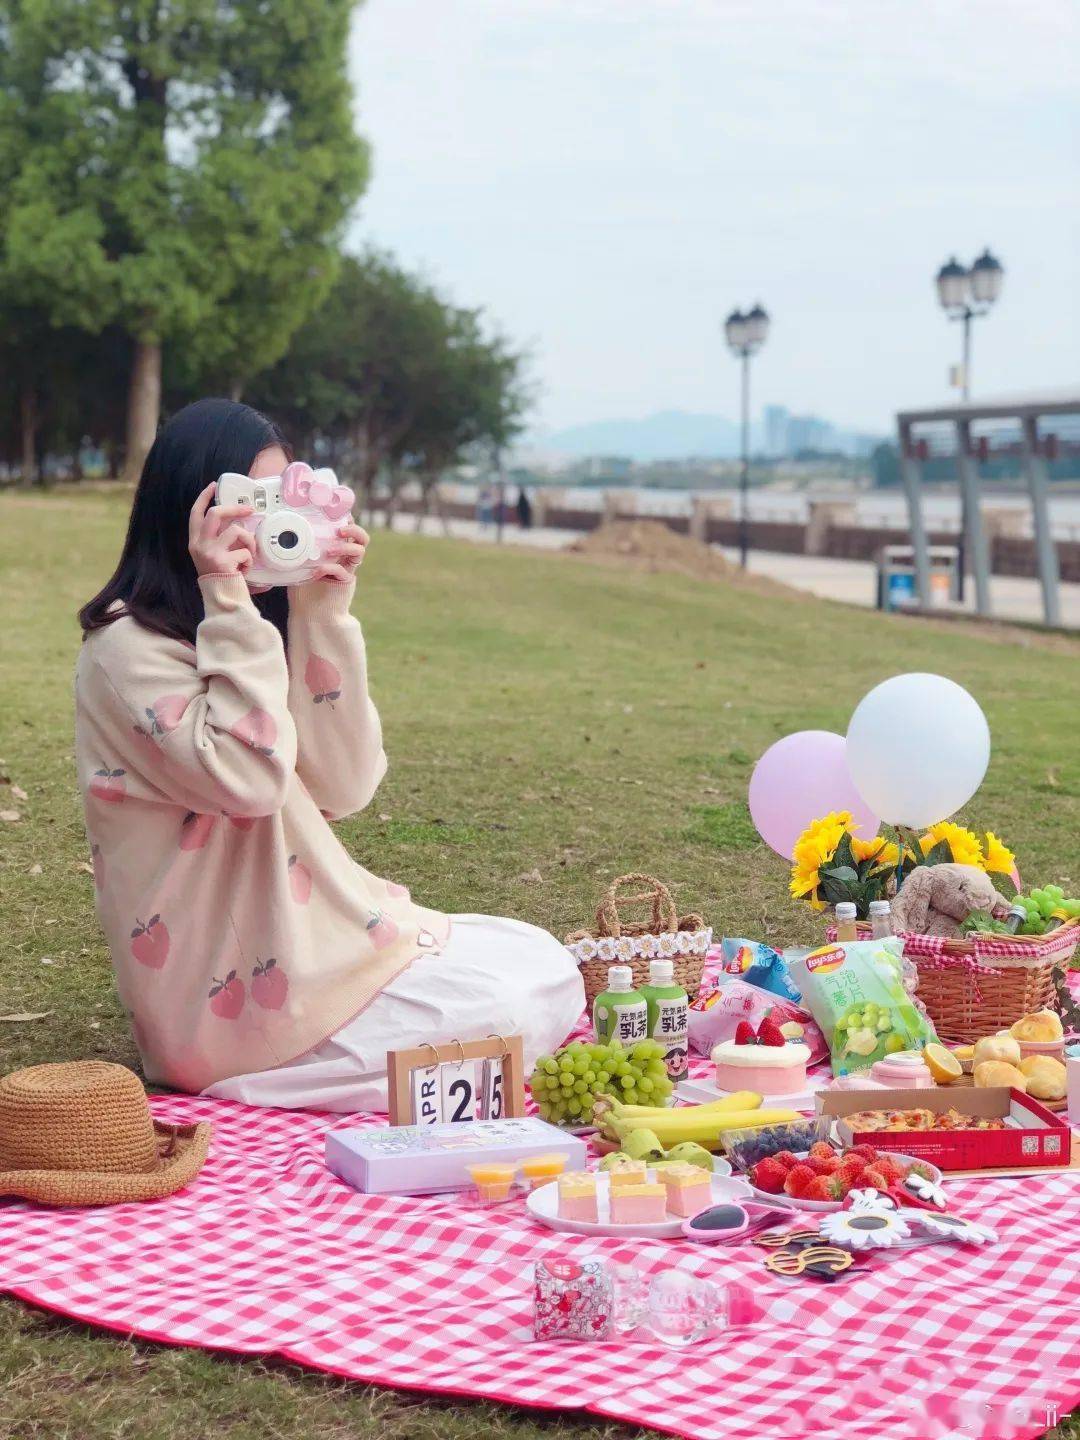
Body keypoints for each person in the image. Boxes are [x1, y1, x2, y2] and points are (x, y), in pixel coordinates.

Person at [75, 399, 584, 1112]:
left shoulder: (251, 625)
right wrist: (226, 595)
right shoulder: (127, 649)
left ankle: (356, 1053)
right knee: (503, 1008)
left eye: (280, 500)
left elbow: (344, 786)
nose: (263, 524)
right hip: (222, 1004)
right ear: (186, 510)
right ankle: (259, 1074)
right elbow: (249, 783)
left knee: (544, 961)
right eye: (244, 503)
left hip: (321, 946)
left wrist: (321, 613)